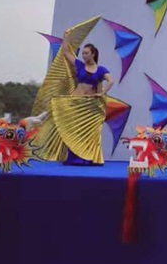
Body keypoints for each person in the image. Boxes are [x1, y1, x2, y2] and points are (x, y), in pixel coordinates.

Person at [32, 16, 114, 166]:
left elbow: (111, 80)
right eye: (83, 53)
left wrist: (102, 93)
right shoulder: (80, 65)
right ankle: (73, 158)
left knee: (87, 132)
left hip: (88, 105)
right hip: (75, 102)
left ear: (93, 54)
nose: (84, 55)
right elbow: (66, 52)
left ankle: (88, 158)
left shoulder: (101, 69)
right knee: (73, 130)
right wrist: (66, 38)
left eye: (86, 53)